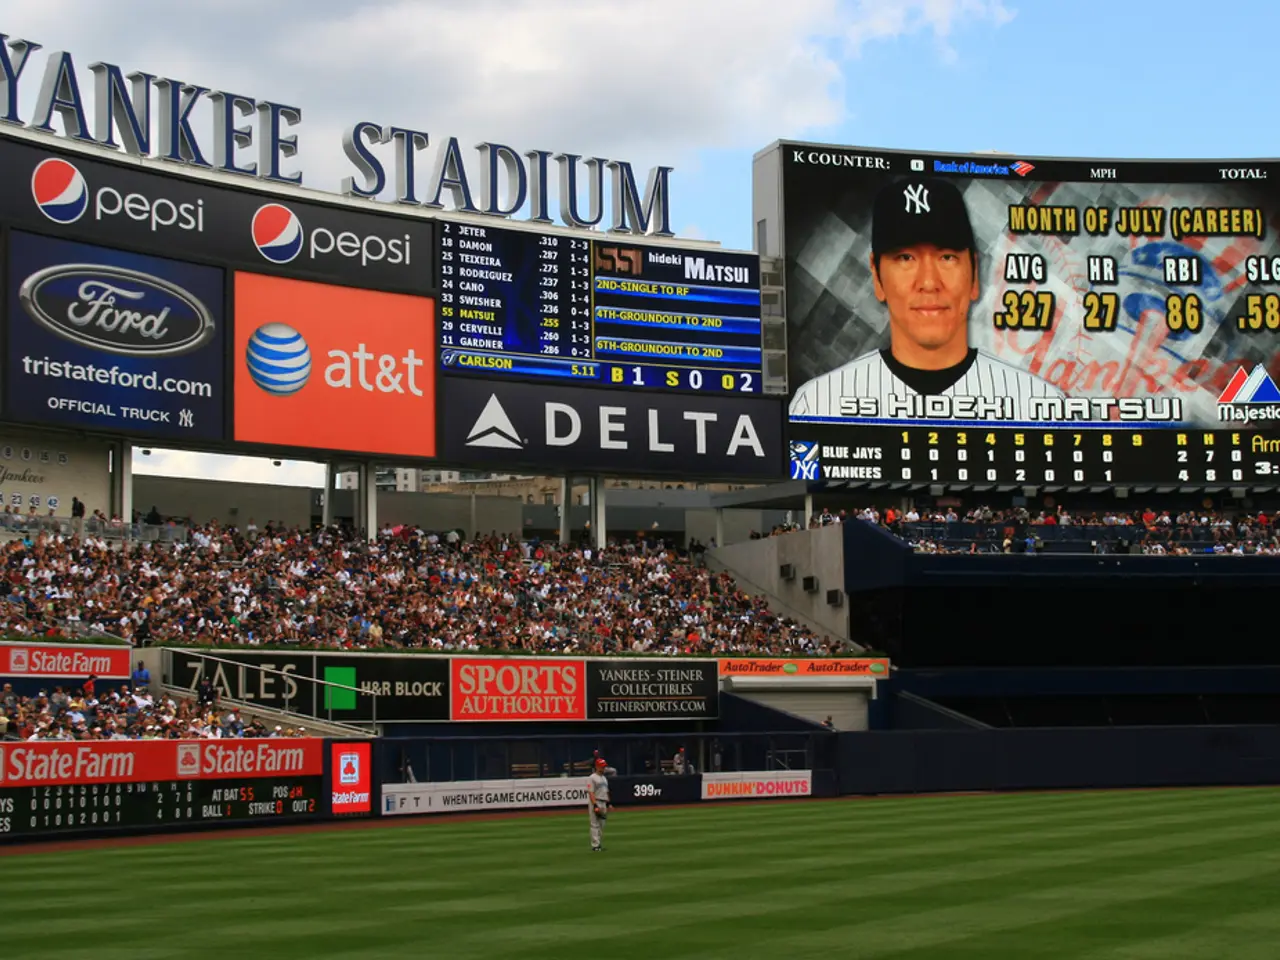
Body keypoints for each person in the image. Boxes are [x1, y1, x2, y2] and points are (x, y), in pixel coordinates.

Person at [789, 177, 1065, 422]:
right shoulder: (819, 403)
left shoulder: (1041, 404)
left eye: (947, 257)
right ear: (877, 276)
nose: (930, 283)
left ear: (974, 275)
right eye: (905, 258)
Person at [587, 757, 611, 852]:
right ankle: (595, 845)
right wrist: (595, 805)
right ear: (597, 766)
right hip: (596, 801)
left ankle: (599, 843)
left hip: (603, 802)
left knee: (602, 824)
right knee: (594, 824)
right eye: (602, 766)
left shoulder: (604, 778)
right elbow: (591, 792)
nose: (603, 768)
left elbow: (606, 791)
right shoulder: (592, 777)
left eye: (604, 766)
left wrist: (609, 803)